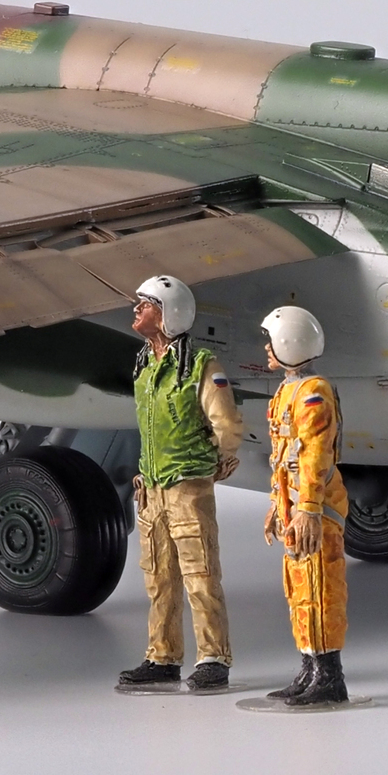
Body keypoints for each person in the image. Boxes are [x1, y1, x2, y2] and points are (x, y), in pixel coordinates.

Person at [117, 275, 242, 695]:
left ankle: (213, 658)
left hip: (187, 487)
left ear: (168, 314)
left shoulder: (200, 366)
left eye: (147, 304)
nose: (137, 309)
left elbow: (226, 424)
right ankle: (162, 657)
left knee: (200, 574)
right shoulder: (145, 366)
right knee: (159, 579)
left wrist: (216, 461)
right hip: (152, 489)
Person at [259, 305, 350, 707]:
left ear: (289, 343)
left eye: (271, 342)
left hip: (315, 510)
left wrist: (310, 508)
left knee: (321, 588)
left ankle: (330, 676)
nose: (266, 349)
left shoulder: (314, 393)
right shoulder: (287, 391)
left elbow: (316, 454)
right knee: (298, 590)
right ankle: (309, 668)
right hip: (293, 506)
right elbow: (282, 457)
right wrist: (276, 506)